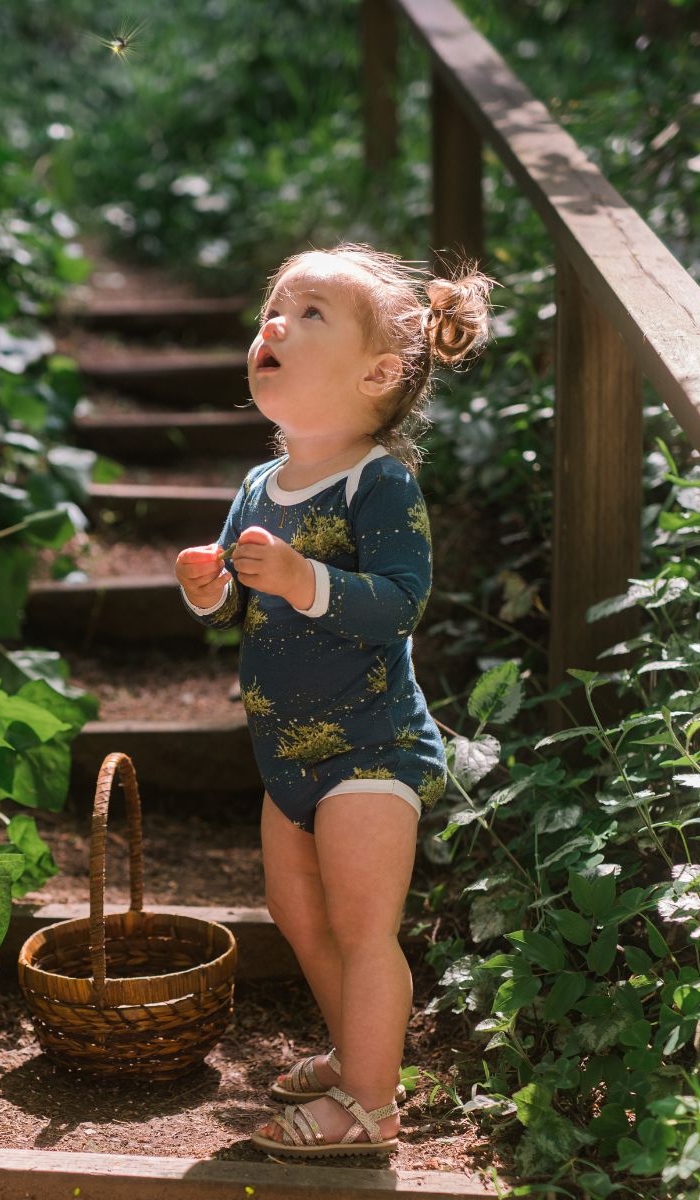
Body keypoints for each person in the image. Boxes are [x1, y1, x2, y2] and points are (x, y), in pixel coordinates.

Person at [174, 243, 492, 1158]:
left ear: (378, 373)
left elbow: (400, 602)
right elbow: (238, 607)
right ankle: (358, 1052)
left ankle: (373, 1105)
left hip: (372, 747)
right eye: (274, 309)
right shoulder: (257, 487)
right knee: (300, 916)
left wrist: (300, 576)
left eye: (310, 313)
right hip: (288, 755)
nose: (275, 323)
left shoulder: (376, 481)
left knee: (360, 926)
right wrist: (208, 590)